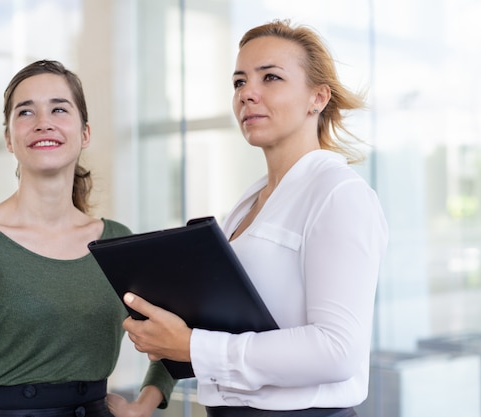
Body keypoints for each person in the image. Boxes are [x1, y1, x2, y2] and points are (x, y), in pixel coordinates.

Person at [121, 20, 389, 417]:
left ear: (317, 98)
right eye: (239, 82)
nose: (248, 93)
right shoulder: (250, 202)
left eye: (271, 78)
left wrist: (194, 346)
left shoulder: (338, 194)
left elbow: (337, 350)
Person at [0, 60, 174, 417]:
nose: (44, 121)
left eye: (59, 108)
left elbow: (176, 336)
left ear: (85, 133)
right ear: (9, 138)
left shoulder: (117, 243)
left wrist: (144, 405)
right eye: (26, 112)